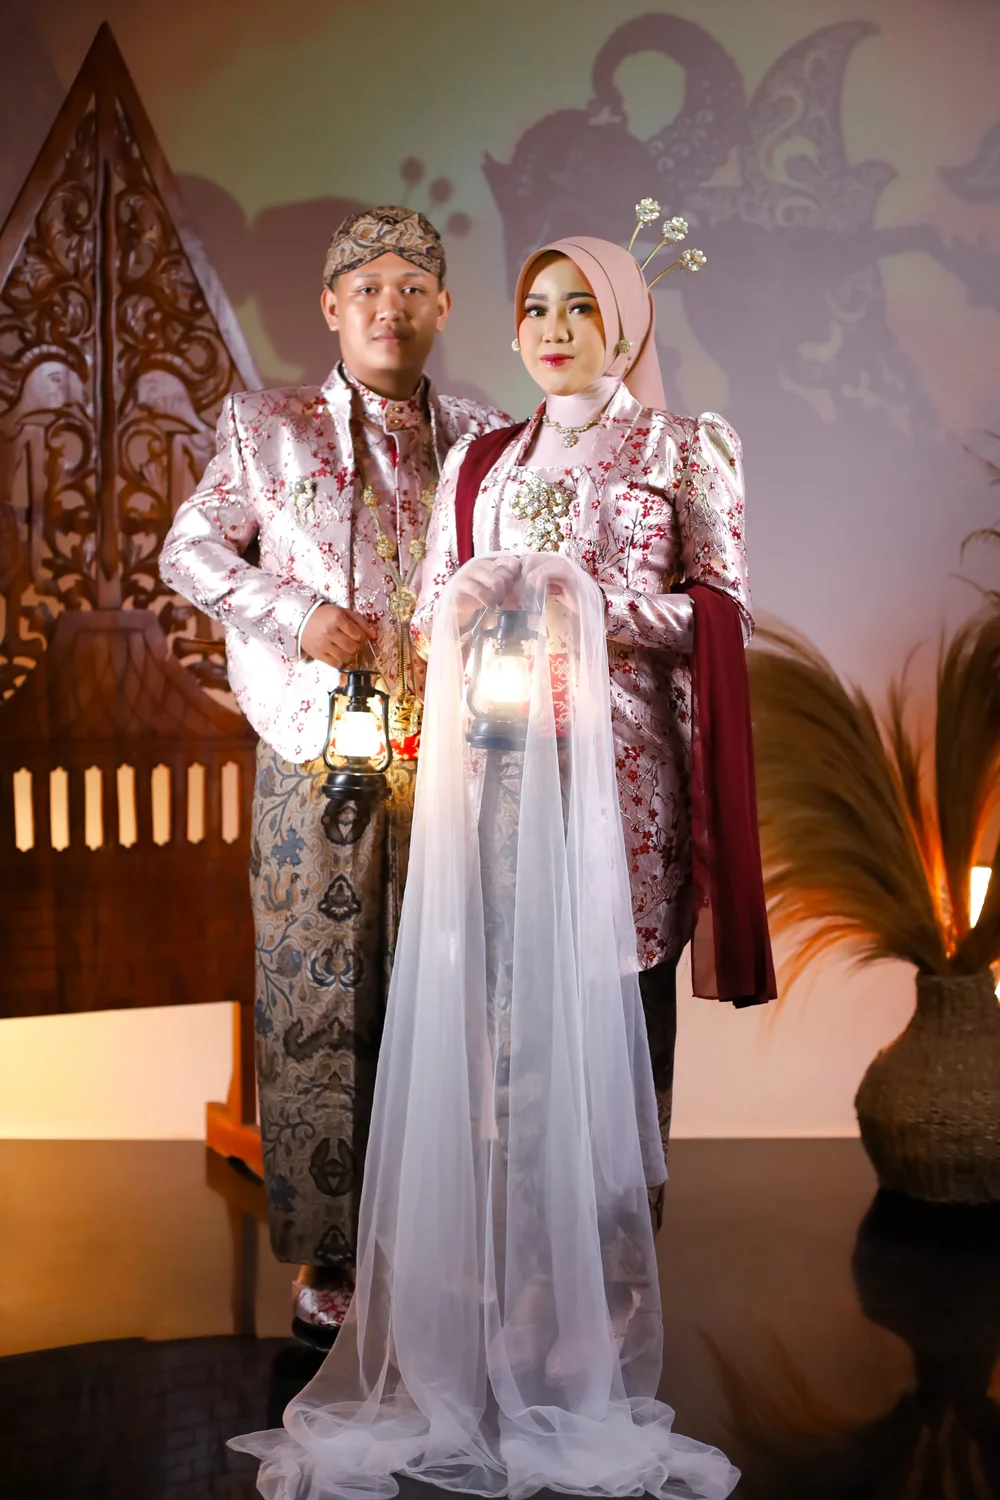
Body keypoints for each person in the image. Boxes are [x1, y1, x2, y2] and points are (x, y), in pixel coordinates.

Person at [159, 206, 509, 1347]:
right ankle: (335, 1250)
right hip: (318, 759)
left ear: (443, 307)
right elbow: (188, 549)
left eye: (412, 288)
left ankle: (437, 1238)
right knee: (320, 1004)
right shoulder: (268, 427)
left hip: (451, 759)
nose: (388, 308)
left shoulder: (485, 439)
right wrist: (295, 613)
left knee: (442, 993)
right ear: (330, 307)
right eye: (367, 289)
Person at [412, 229, 776, 1216]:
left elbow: (725, 612)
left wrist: (588, 605)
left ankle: (619, 1263)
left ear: (624, 324)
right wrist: (475, 605)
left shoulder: (683, 447)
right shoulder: (481, 462)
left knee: (623, 1006)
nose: (555, 329)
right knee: (509, 1012)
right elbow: (432, 610)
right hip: (501, 770)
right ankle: (521, 1252)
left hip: (630, 779)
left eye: (580, 307)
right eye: (536, 309)